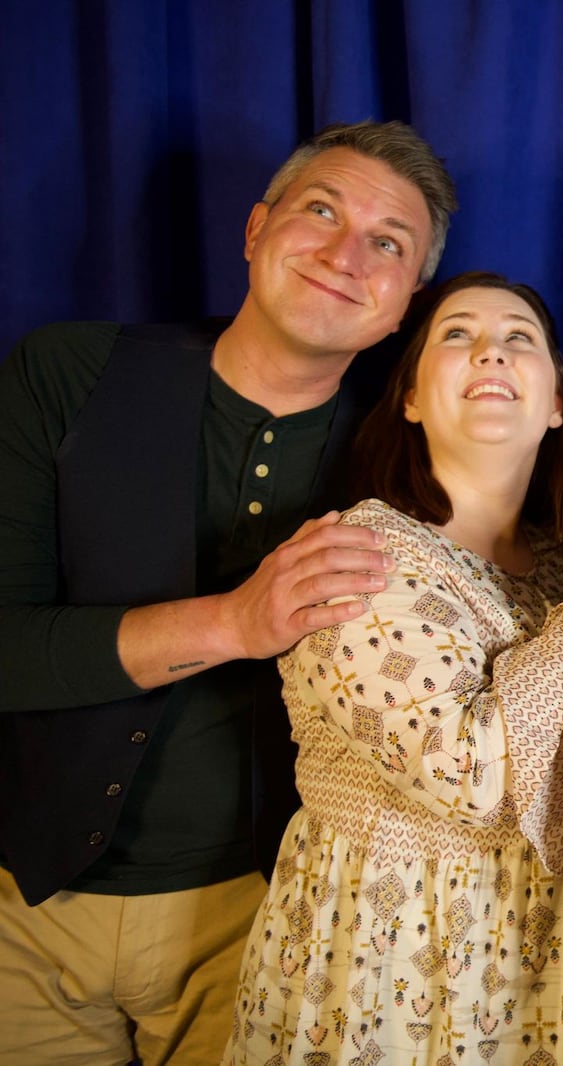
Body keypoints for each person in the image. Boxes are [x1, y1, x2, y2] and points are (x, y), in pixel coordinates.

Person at [0, 120, 457, 1063]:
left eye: (387, 243)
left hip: (264, 927)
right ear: (254, 230)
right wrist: (232, 622)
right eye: (321, 211)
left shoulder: (412, 468)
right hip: (25, 908)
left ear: (408, 300)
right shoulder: (68, 375)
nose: (343, 255)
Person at [223, 271, 563, 1064]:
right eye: (457, 335)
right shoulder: (357, 552)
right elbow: (468, 769)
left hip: (547, 966)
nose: (490, 352)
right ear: (408, 398)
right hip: (389, 955)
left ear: (555, 405)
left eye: (519, 339)